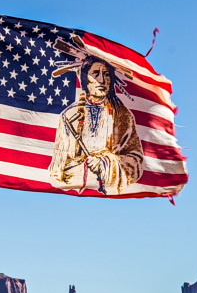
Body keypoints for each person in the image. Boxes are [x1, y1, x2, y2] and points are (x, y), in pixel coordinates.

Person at [49, 57, 144, 195]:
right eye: (95, 73)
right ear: (85, 79)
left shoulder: (123, 116)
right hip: (72, 195)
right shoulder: (69, 115)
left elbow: (135, 161)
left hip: (108, 195)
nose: (101, 80)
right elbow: (58, 166)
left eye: (106, 74)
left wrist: (105, 163)